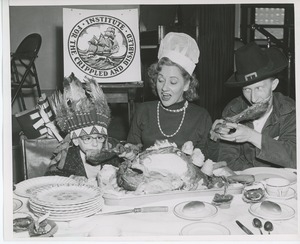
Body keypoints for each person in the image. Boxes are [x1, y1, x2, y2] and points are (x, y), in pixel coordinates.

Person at [125, 32, 216, 160]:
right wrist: (128, 152)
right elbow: (133, 148)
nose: (164, 88)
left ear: (186, 84)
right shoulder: (144, 111)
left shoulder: (201, 117)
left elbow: (207, 159)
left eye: (173, 82)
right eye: (161, 80)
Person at [211, 42, 296, 171]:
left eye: (259, 88)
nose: (253, 98)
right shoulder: (233, 110)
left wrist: (251, 136)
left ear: (273, 85)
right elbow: (227, 160)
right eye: (247, 90)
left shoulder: (290, 111)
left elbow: (294, 157)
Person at [45, 73, 123, 180]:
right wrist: (72, 177)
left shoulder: (111, 154)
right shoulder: (69, 156)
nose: (95, 143)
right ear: (76, 140)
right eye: (88, 138)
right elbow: (51, 174)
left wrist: (129, 158)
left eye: (99, 138)